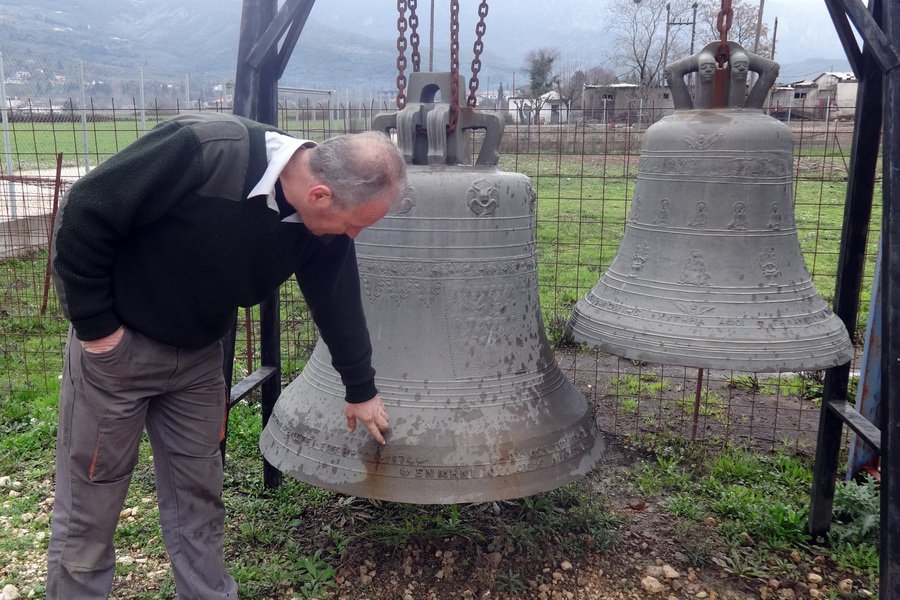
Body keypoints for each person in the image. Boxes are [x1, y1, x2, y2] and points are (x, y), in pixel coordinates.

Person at [46, 112, 407, 599]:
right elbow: (88, 207)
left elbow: (336, 297)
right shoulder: (206, 151)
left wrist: (360, 388)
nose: (353, 237)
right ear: (320, 194)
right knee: (90, 508)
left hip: (198, 360)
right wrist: (98, 334)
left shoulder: (321, 225)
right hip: (119, 353)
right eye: (353, 225)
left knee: (200, 505)